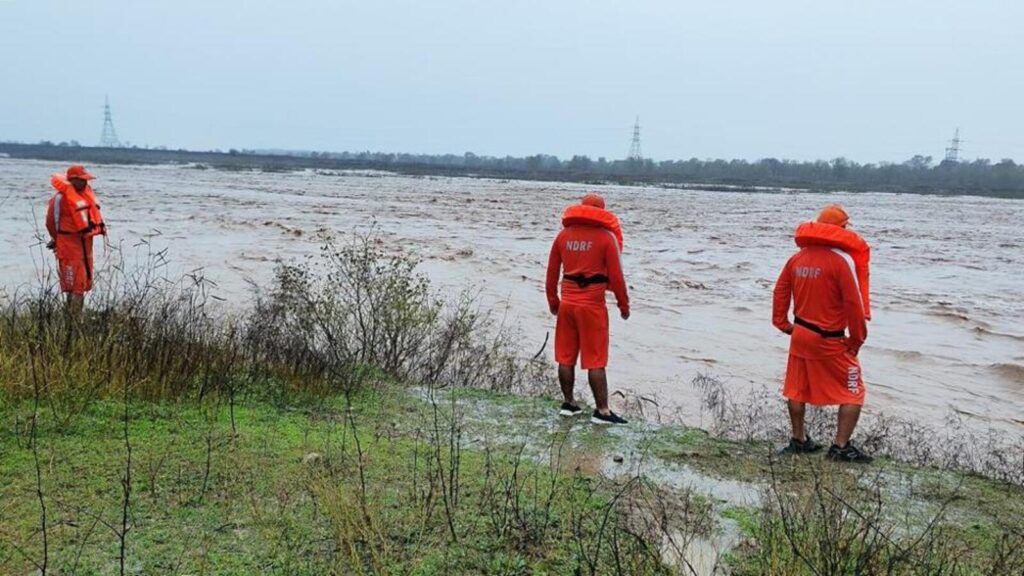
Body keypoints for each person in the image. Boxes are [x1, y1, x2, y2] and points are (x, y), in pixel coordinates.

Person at [772, 203, 873, 462]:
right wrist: (857, 340)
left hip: (800, 335)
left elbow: (780, 293)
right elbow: (854, 304)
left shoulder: (797, 259)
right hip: (830, 340)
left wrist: (783, 325)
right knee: (854, 390)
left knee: (796, 389)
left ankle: (799, 440)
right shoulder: (842, 262)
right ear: (841, 230)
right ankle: (840, 447)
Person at [545, 193, 630, 425]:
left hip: (567, 304)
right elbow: (617, 278)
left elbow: (551, 274)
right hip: (592, 306)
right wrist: (624, 305)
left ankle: (569, 403)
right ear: (602, 211)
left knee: (565, 357)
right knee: (595, 361)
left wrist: (554, 302)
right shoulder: (606, 238)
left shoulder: (563, 237)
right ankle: (602, 411)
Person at [45, 165, 107, 321]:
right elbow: (51, 222)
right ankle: (74, 323)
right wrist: (56, 240)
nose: (85, 183)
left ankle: (72, 321)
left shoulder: (85, 196)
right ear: (72, 180)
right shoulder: (59, 198)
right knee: (75, 287)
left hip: (85, 246)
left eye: (86, 180)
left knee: (80, 285)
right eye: (82, 180)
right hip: (69, 246)